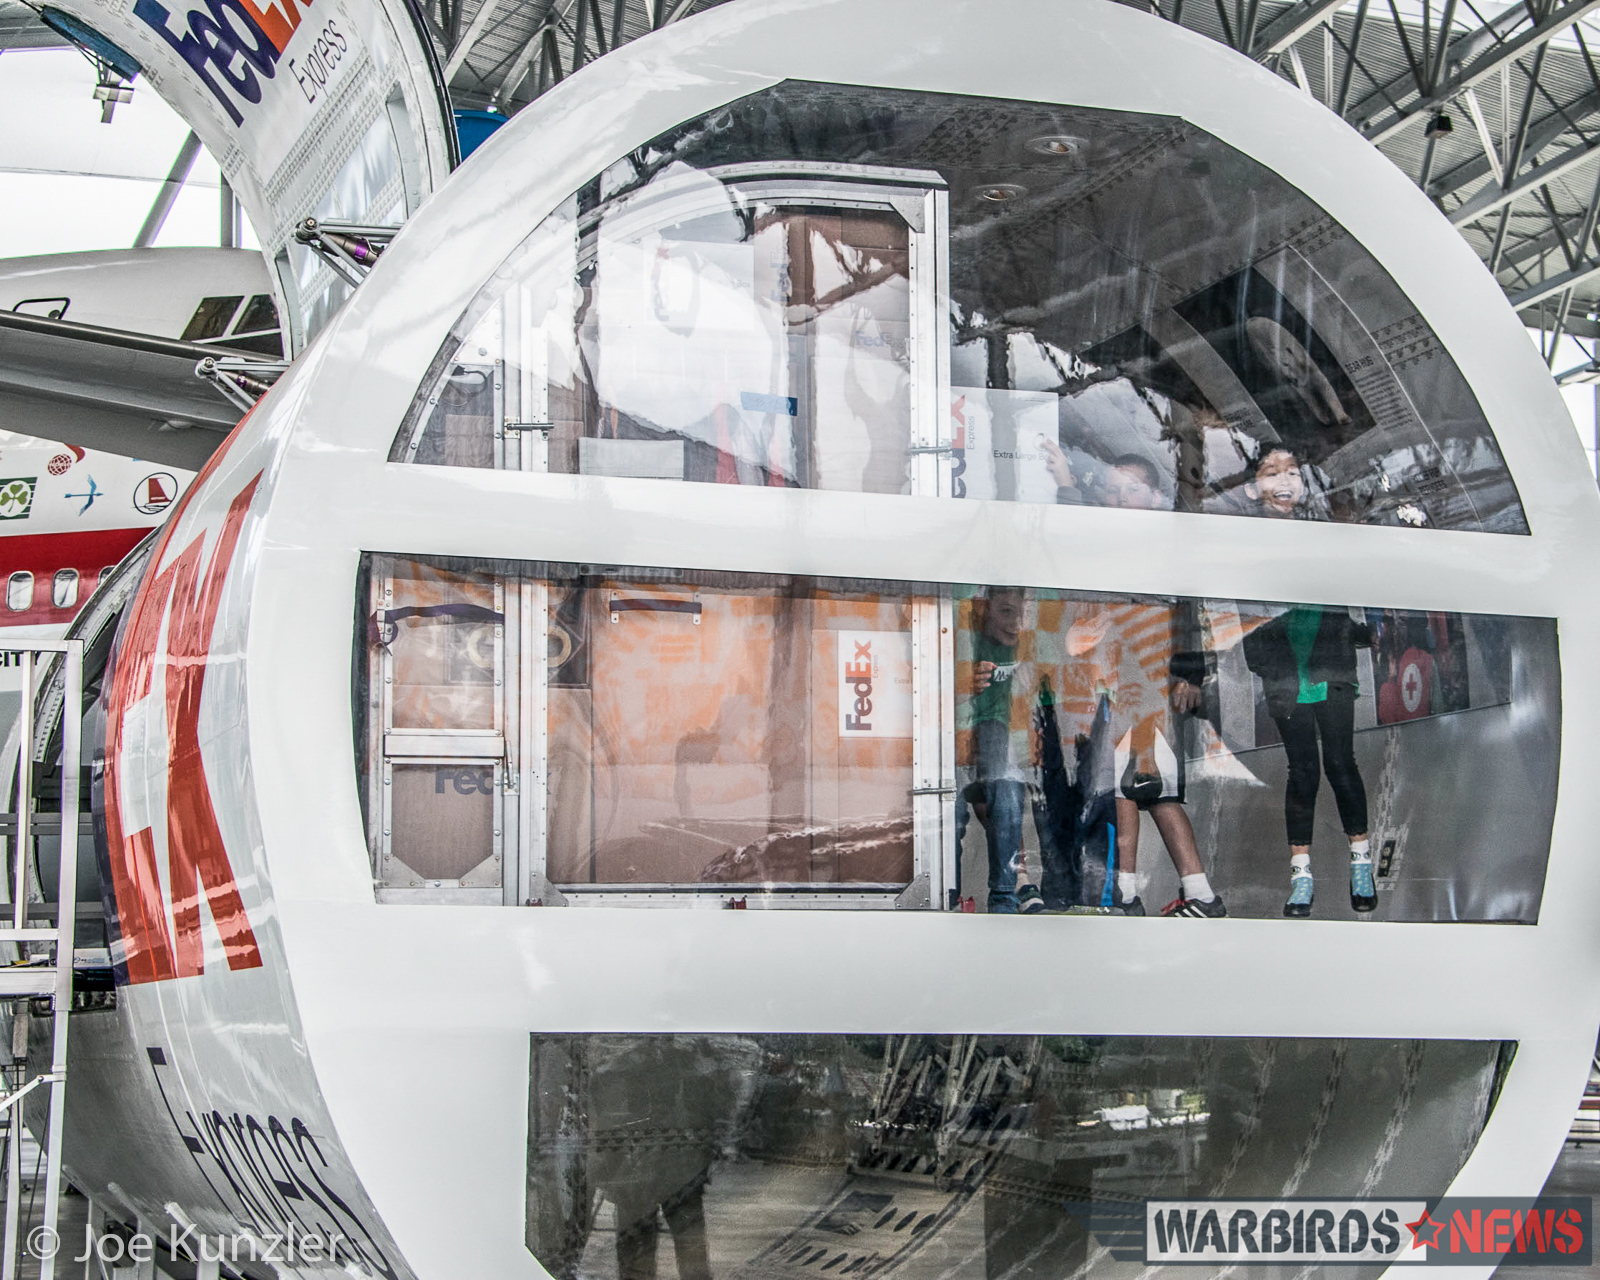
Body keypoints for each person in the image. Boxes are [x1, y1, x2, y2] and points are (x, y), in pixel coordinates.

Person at [1066, 455, 1227, 918]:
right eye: (1115, 489)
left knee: (1148, 786)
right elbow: (1079, 626)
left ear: (1154, 497)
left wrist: (1190, 674)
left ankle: (1146, 894)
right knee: (1137, 787)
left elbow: (1193, 613)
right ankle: (1166, 893)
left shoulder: (1168, 550)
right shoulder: (1098, 550)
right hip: (1112, 684)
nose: (1121, 497)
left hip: (1153, 683)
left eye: (1132, 489)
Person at [1243, 605, 1376, 915]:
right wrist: (1274, 669)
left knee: (1341, 764)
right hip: (1288, 686)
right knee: (1302, 773)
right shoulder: (1268, 589)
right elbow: (1251, 638)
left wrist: (1366, 634)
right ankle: (1301, 877)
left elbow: (1346, 623)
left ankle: (1361, 864)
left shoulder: (1324, 577)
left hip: (1332, 678)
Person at [956, 587, 1029, 913]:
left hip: (1000, 730)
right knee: (950, 817)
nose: (1016, 624)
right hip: (954, 729)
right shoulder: (964, 637)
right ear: (985, 609)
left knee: (1010, 797)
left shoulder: (1031, 643)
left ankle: (1006, 896)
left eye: (1022, 614)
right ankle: (949, 897)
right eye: (1006, 612)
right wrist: (962, 682)